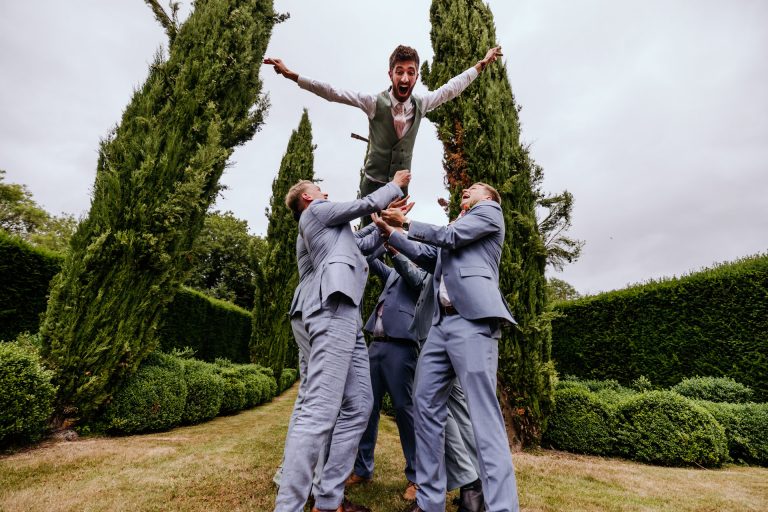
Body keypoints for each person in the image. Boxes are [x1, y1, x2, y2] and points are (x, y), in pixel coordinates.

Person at [372, 183, 520, 512]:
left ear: (490, 198)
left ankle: (503, 507)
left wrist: (405, 223)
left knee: (483, 415)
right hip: (440, 325)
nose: (467, 189)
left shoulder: (490, 214)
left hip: (473, 321)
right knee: (423, 404)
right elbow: (429, 256)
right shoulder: (455, 228)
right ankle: (429, 501)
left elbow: (449, 237)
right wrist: (390, 233)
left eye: (475, 188)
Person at [275, 170, 410, 512]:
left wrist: (385, 224)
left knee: (360, 404)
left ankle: (328, 499)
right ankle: (288, 505)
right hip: (331, 305)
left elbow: (363, 245)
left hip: (345, 310)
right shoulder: (316, 212)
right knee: (320, 410)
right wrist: (394, 185)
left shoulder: (334, 232)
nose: (324, 192)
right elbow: (364, 204)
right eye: (319, 190)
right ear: (306, 197)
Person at [264, 45, 502, 197]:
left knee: (395, 241)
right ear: (391, 74)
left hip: (400, 187)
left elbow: (452, 88)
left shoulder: (423, 104)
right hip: (371, 184)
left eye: (411, 72)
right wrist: (291, 75)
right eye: (400, 71)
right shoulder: (372, 102)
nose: (405, 77)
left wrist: (482, 63)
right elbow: (332, 92)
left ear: (417, 76)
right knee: (367, 242)